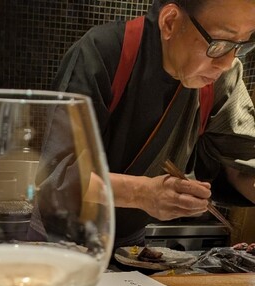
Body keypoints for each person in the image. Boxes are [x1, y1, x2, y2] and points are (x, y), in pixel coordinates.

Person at [52, 0, 255, 248]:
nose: (227, 63)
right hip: (61, 239)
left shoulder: (222, 77)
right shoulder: (104, 52)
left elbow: (242, 167)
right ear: (170, 22)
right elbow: (59, 175)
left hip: (129, 242)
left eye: (242, 45)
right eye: (220, 43)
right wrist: (142, 193)